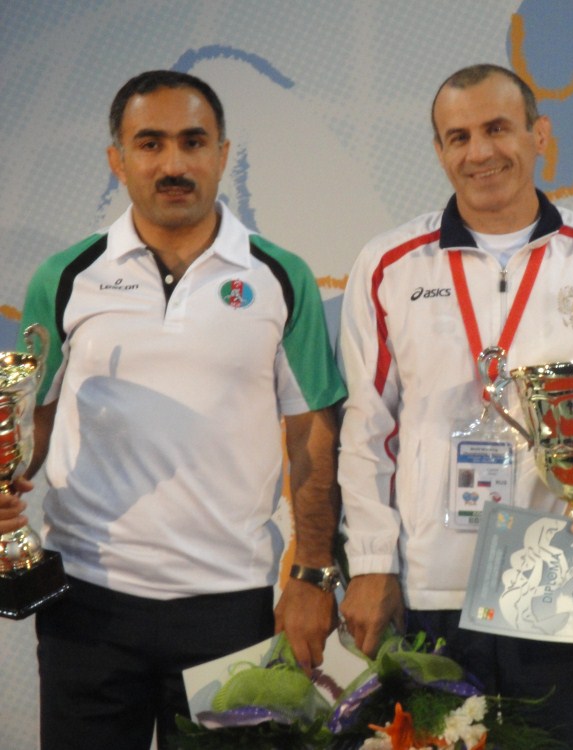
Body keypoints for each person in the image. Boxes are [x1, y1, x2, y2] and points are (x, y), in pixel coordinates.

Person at [0, 70, 345, 750]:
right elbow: (30, 420)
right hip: (87, 604)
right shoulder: (66, 276)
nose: (173, 164)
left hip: (231, 608)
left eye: (193, 142)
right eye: (150, 143)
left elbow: (312, 437)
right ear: (117, 159)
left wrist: (311, 573)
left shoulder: (281, 276)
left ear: (222, 153)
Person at [336, 63, 573, 749]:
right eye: (458, 137)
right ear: (439, 150)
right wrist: (370, 562)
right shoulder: (391, 264)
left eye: (497, 129)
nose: (479, 152)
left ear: (539, 135)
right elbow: (368, 427)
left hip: (563, 571)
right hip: (433, 584)